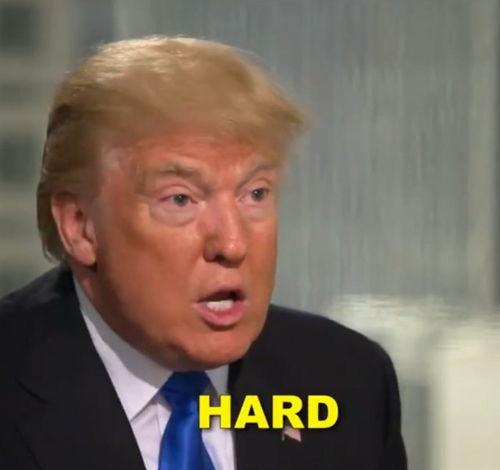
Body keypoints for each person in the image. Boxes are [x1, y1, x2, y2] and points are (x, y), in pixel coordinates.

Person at [0, 36, 406, 470]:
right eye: (180, 199)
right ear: (80, 226)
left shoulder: (347, 381)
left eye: (255, 193)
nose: (232, 244)